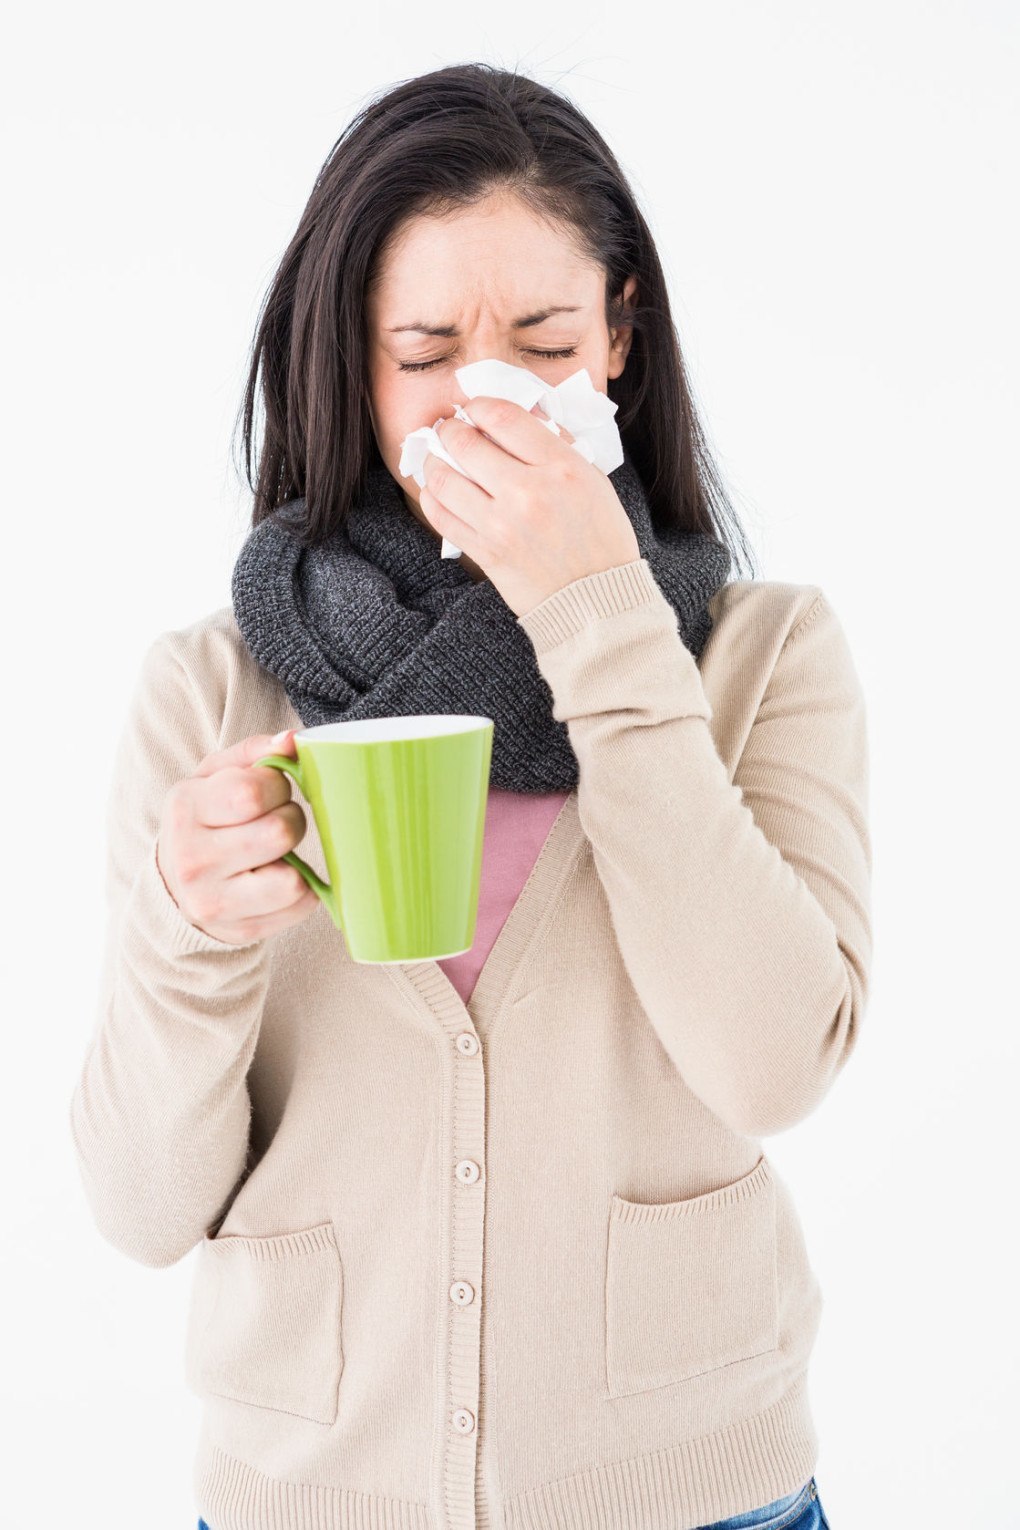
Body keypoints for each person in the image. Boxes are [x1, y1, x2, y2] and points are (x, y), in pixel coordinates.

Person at [69, 61, 867, 1530]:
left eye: (545, 338)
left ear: (619, 337)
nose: (486, 392)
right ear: (352, 366)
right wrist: (188, 927)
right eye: (427, 348)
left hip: (694, 1498)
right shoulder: (212, 690)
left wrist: (603, 618)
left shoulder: (761, 656)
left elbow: (775, 1067)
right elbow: (137, 1207)